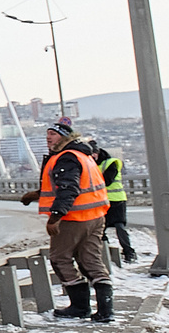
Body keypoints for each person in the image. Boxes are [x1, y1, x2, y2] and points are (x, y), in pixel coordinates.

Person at [17, 119, 112, 321]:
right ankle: (106, 310)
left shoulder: (66, 157)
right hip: (95, 216)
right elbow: (73, 184)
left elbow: (68, 188)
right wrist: (37, 195)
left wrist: (55, 217)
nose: (48, 137)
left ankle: (79, 306)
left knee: (60, 258)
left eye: (53, 134)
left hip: (74, 217)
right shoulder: (83, 155)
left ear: (64, 137)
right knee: (91, 260)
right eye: (47, 134)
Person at [91, 140, 135, 264]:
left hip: (116, 200)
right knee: (99, 228)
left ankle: (128, 252)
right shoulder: (91, 165)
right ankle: (105, 252)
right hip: (100, 201)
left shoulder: (111, 163)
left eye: (94, 153)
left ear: (98, 152)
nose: (92, 156)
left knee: (119, 227)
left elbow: (107, 180)